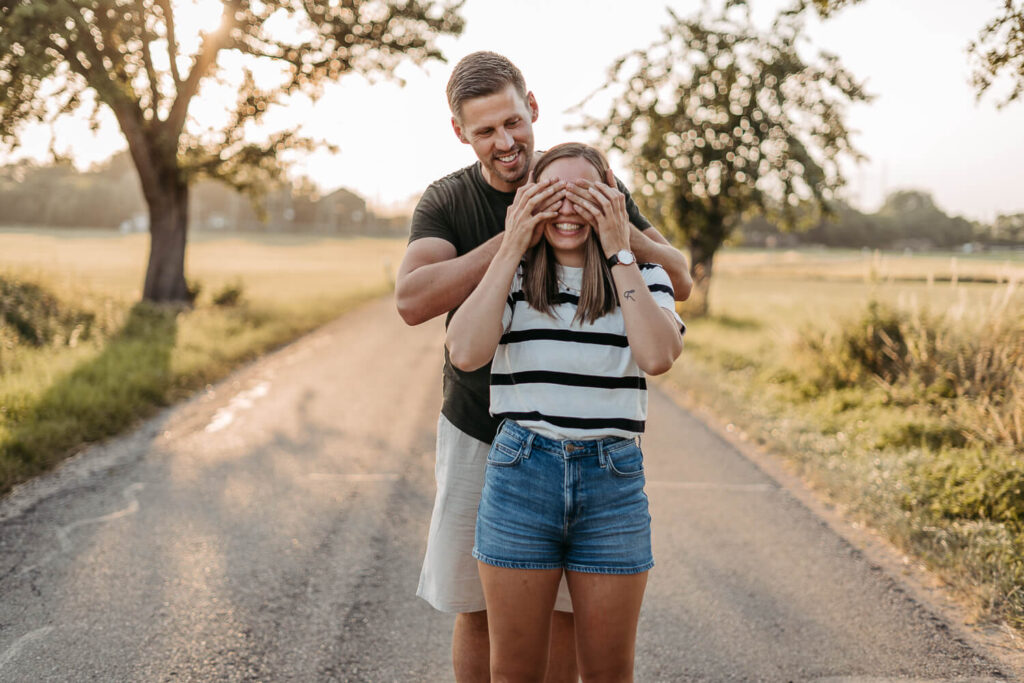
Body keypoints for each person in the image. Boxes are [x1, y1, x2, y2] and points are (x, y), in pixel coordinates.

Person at [395, 52, 692, 683]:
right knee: (478, 609)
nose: (505, 143)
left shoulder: (586, 181)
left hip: (594, 444)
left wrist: (604, 222)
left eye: (513, 123)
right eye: (484, 132)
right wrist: (513, 236)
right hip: (488, 430)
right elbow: (414, 301)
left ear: (532, 108)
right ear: (461, 133)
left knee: (562, 616)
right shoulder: (449, 199)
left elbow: (677, 278)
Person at [444, 142, 684, 681]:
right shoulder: (515, 275)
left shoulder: (645, 274)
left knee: (607, 673)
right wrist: (510, 247)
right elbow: (465, 351)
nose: (569, 209)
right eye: (553, 195)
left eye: (586, 194)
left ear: (613, 199)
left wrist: (623, 251)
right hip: (520, 477)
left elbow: (657, 355)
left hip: (612, 485)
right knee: (513, 673)